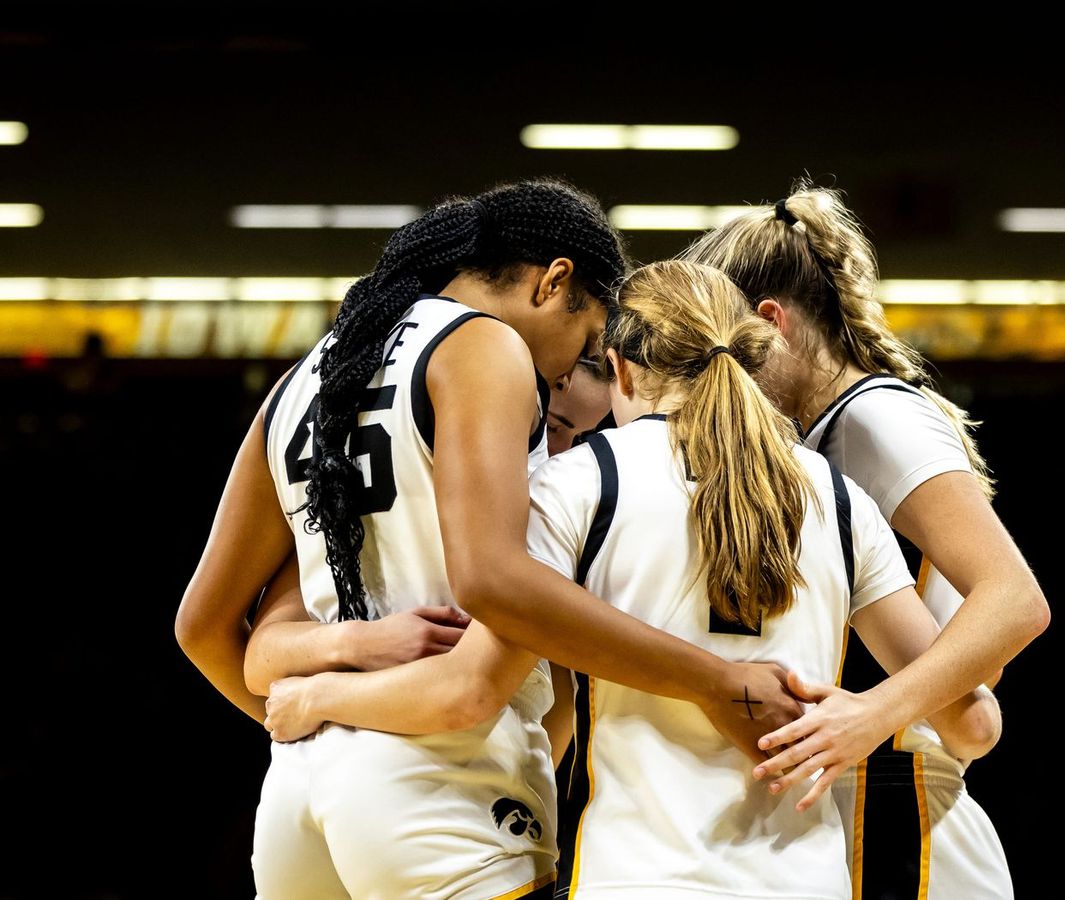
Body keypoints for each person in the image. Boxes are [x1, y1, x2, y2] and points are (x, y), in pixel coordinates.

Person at [262, 260, 1002, 899]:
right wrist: (857, 716)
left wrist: (319, 696)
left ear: (618, 367)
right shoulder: (840, 500)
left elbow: (466, 689)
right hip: (805, 881)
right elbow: (971, 725)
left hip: (632, 875)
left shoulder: (579, 484)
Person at [176, 179, 804, 900]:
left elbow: (203, 626)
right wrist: (718, 681)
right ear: (554, 281)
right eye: (589, 337)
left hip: (299, 795)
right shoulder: (483, 345)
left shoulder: (306, 377)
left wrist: (315, 718)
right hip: (444, 785)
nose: (571, 371)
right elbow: (491, 582)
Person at [682, 184, 1051, 899]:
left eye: (728, 351)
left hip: (903, 814)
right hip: (864, 803)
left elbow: (1015, 600)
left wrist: (873, 712)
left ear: (771, 323)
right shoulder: (821, 431)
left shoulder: (875, 418)